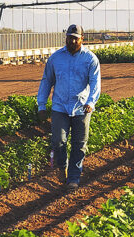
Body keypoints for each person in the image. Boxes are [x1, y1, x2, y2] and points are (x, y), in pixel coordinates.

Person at [36, 24, 101, 188]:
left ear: (82, 39)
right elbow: (47, 81)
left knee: (79, 144)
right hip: (60, 107)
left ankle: (73, 178)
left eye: (75, 38)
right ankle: (62, 167)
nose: (71, 41)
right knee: (58, 141)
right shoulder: (56, 58)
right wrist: (41, 105)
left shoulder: (90, 59)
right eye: (69, 37)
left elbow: (95, 83)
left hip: (81, 107)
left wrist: (91, 102)